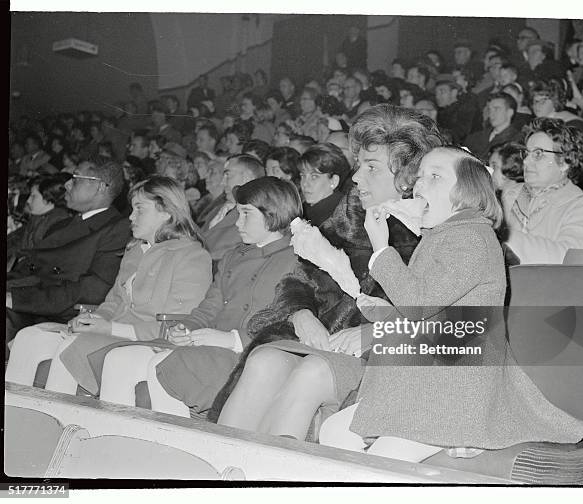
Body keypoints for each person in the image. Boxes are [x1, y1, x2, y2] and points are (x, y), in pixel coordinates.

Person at [316, 146, 583, 463]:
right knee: (333, 432)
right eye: (420, 177)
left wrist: (381, 247)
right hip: (427, 379)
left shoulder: (472, 237)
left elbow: (419, 304)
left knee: (381, 459)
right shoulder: (443, 236)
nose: (419, 185)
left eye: (435, 176)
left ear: (467, 191)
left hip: (454, 391)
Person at [216, 105, 437, 439]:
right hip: (323, 340)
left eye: (371, 167)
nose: (357, 177)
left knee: (312, 369)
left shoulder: (438, 230)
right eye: (359, 165)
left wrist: (377, 334)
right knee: (264, 361)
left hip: (385, 356)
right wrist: (301, 313)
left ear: (406, 175)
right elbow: (298, 279)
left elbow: (460, 320)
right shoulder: (349, 216)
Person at [97, 177, 302, 414]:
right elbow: (208, 308)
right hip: (210, 344)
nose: (237, 223)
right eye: (238, 214)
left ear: (273, 214)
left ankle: (170, 444)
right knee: (119, 358)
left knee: (163, 364)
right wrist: (185, 328)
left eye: (246, 214)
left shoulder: (297, 260)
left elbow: (287, 323)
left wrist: (232, 339)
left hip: (249, 352)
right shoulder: (233, 257)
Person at [6, 176, 212, 395]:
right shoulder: (135, 250)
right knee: (30, 337)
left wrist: (109, 328)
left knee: (73, 346)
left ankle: (60, 425)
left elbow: (178, 325)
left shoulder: (192, 257)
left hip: (149, 341)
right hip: (110, 333)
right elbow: (113, 301)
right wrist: (94, 320)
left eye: (139, 209)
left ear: (167, 212)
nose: (130, 217)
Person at [6, 158, 132, 343]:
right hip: (29, 300)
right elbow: (29, 269)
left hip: (57, 312)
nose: (66, 184)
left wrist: (17, 299)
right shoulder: (64, 224)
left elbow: (90, 291)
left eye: (76, 179)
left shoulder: (117, 230)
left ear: (99, 187)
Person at [504, 118, 583, 264]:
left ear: (564, 162)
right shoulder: (508, 195)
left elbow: (568, 259)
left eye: (538, 154)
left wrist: (505, 235)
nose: (526, 161)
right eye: (526, 153)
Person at [7, 175, 72, 271]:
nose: (28, 201)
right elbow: (17, 242)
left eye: (33, 196)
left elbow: (42, 261)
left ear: (48, 199)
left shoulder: (59, 222)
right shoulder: (37, 216)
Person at [464, 92, 520, 159]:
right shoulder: (474, 137)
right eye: (490, 109)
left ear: (510, 112)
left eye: (496, 109)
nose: (491, 114)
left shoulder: (516, 140)